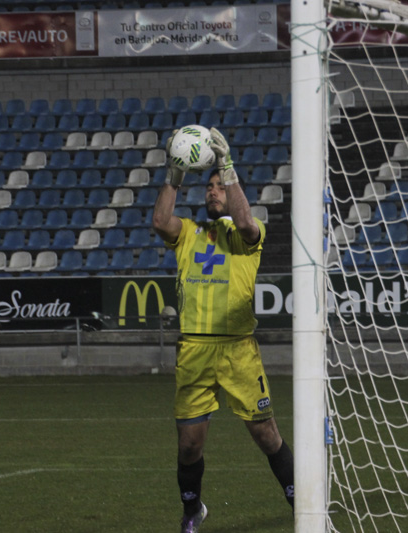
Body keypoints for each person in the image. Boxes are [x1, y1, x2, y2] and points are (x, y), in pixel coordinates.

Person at [152, 128, 294, 532]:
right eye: (209, 187)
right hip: (195, 350)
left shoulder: (250, 236)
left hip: (238, 351)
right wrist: (174, 174)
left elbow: (246, 220)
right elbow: (160, 220)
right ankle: (192, 512)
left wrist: (226, 167)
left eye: (219, 186)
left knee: (267, 435)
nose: (213, 192)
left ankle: (303, 507)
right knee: (189, 445)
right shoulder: (189, 234)